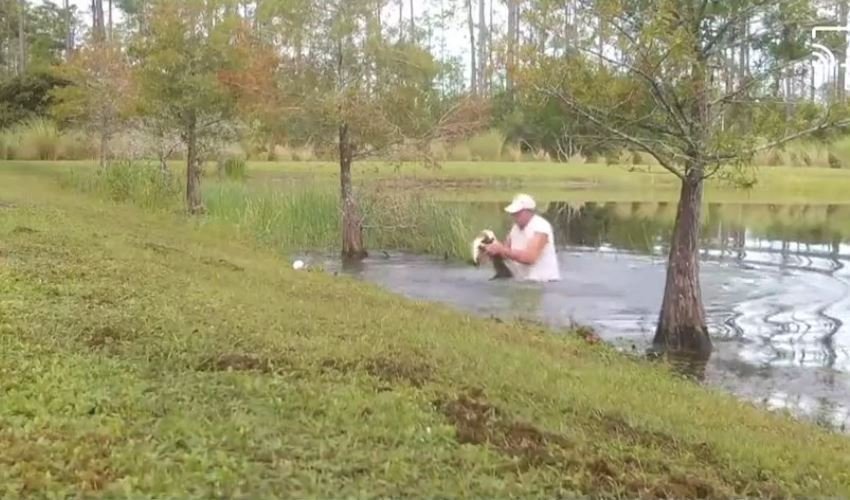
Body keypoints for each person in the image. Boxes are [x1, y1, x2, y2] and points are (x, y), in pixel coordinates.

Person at [484, 193, 561, 282]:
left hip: (545, 283)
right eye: (513, 213)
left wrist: (501, 249)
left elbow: (530, 258)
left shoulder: (541, 228)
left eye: (518, 213)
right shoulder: (515, 228)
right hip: (523, 282)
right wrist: (492, 249)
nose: (514, 216)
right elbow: (505, 253)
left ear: (529, 211)